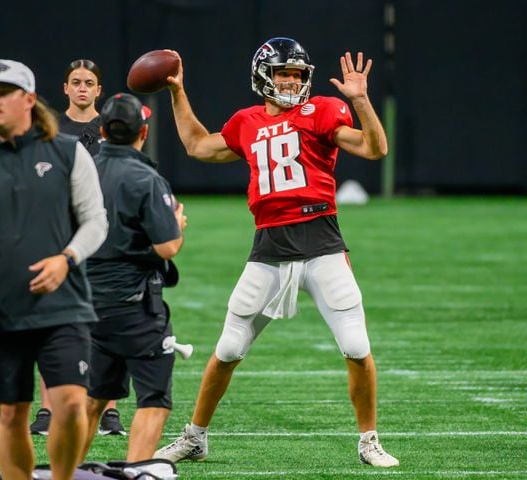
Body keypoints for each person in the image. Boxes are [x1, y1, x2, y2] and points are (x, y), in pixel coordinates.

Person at [153, 37, 399, 468]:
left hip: (321, 242)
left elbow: (374, 148)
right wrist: (178, 91)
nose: (292, 81)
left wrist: (361, 101)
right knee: (228, 349)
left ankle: (369, 440)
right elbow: (197, 145)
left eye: (298, 74)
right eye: (284, 72)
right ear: (263, 75)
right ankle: (195, 437)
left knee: (356, 345)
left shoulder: (322, 110)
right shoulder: (246, 121)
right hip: (268, 246)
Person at [0, 59, 108, 480]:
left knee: (72, 403)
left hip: (62, 303)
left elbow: (96, 220)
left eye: (5, 93)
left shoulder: (68, 152)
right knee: (10, 414)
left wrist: (67, 258)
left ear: (31, 100)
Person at [80, 92, 186, 461]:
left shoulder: (81, 170)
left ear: (104, 130)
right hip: (135, 307)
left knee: (92, 399)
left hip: (86, 304)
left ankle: (66, 471)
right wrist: (178, 225)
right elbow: (169, 245)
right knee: (154, 399)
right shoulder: (146, 177)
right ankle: (135, 470)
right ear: (143, 131)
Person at [30, 58, 126, 437]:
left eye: (89, 82)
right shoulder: (52, 129)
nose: (83, 88)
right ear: (66, 88)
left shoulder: (113, 126)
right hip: (62, 236)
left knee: (108, 322)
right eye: (76, 82)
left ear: (99, 89)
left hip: (107, 235)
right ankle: (46, 408)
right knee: (51, 320)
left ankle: (110, 410)